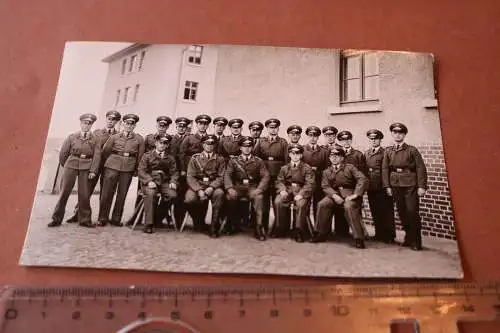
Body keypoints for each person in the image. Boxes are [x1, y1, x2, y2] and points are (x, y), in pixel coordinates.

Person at [65, 110, 121, 223]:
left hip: (109, 167)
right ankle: (78, 214)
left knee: (107, 192)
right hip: (95, 165)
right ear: (106, 119)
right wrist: (92, 167)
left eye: (114, 120)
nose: (111, 121)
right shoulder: (97, 133)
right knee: (86, 190)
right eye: (109, 119)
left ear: (117, 121)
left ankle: (103, 218)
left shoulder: (119, 135)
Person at [48, 113, 101, 228]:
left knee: (84, 194)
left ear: (92, 125)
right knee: (64, 192)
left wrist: (93, 170)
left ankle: (85, 220)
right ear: (81, 123)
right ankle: (56, 219)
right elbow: (63, 153)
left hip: (86, 166)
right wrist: (66, 165)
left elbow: (97, 156)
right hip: (71, 164)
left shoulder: (96, 139)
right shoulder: (72, 137)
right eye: (85, 123)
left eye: (89, 123)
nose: (86, 126)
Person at [382, 122, 428, 251]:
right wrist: (387, 186)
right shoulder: (388, 151)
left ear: (404, 135)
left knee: (412, 212)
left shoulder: (412, 150)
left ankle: (416, 241)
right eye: (395, 133)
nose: (397, 135)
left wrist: (422, 186)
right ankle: (408, 237)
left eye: (400, 133)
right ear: (392, 134)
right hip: (395, 184)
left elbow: (420, 168)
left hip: (410, 185)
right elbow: (385, 169)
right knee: (402, 212)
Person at [311, 147, 369, 249]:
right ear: (329, 158)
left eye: (337, 156)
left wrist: (355, 194)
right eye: (332, 156)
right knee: (322, 204)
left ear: (342, 158)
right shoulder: (326, 171)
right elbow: (325, 186)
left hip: (349, 194)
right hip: (334, 195)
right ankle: (320, 233)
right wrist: (334, 195)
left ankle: (358, 238)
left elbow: (362, 179)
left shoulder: (350, 167)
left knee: (349, 207)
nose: (334, 158)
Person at [98, 114, 145, 226]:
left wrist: (136, 170)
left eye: (131, 124)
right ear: (123, 124)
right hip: (112, 166)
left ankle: (116, 219)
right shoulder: (114, 137)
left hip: (128, 168)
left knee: (122, 194)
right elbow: (105, 152)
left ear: (135, 125)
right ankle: (102, 218)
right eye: (127, 123)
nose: (129, 126)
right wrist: (107, 166)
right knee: (106, 193)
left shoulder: (139, 139)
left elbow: (140, 156)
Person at [224, 136, 270, 240]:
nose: (247, 148)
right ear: (240, 147)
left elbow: (265, 176)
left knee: (259, 198)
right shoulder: (233, 161)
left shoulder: (258, 161)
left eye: (249, 146)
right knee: (230, 197)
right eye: (244, 146)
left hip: (252, 187)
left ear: (252, 147)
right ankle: (230, 223)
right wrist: (229, 188)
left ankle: (258, 227)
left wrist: (259, 189)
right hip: (238, 186)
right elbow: (227, 175)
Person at [185, 134, 226, 237]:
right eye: (207, 143)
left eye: (212, 144)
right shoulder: (195, 158)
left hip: (213, 186)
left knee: (219, 194)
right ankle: (199, 222)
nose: (209, 146)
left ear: (215, 145)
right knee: (189, 199)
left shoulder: (220, 159)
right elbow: (190, 176)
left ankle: (214, 226)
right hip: (198, 185)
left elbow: (221, 177)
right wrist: (198, 190)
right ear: (203, 144)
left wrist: (212, 187)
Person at [137, 133, 178, 234]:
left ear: (167, 145)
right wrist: (149, 181)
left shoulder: (170, 158)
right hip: (150, 183)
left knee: (172, 195)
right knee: (150, 194)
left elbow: (174, 172)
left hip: (164, 183)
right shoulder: (147, 156)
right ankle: (148, 224)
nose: (162, 145)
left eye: (165, 143)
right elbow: (141, 171)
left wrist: (173, 181)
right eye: (160, 142)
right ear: (156, 143)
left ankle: (157, 217)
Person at [274, 144, 315, 242]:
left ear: (301, 155)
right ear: (289, 155)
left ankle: (299, 230)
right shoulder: (284, 168)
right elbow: (279, 181)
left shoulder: (307, 168)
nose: (295, 156)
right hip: (288, 189)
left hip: (300, 190)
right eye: (293, 153)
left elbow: (310, 183)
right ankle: (282, 228)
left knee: (300, 204)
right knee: (278, 201)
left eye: (298, 154)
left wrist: (301, 194)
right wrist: (282, 190)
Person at [254, 118, 288, 234]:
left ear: (278, 128)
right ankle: (262, 227)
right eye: (271, 127)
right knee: (263, 203)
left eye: (275, 127)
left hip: (277, 177)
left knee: (277, 202)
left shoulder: (283, 142)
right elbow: (256, 159)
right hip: (264, 177)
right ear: (267, 128)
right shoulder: (261, 141)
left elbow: (286, 162)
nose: (273, 129)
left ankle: (277, 228)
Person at [364, 129, 396, 244]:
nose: (373, 141)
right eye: (371, 139)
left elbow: (387, 169)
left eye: (375, 139)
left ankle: (389, 235)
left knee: (386, 211)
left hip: (382, 185)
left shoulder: (385, 152)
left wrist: (387, 185)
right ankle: (379, 233)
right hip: (371, 186)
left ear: (380, 140)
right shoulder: (367, 153)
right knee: (375, 210)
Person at [301, 126, 330, 223]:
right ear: (307, 136)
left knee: (318, 206)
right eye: (310, 136)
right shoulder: (302, 150)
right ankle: (305, 229)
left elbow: (327, 169)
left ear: (318, 137)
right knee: (304, 205)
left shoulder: (324, 152)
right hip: (306, 182)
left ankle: (318, 229)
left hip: (319, 182)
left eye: (315, 136)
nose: (313, 138)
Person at [169, 117, 192, 228]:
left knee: (182, 196)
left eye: (184, 127)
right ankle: (168, 219)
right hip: (173, 172)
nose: (181, 128)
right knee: (172, 195)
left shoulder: (189, 139)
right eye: (179, 126)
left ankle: (179, 220)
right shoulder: (171, 139)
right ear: (176, 127)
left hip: (185, 172)